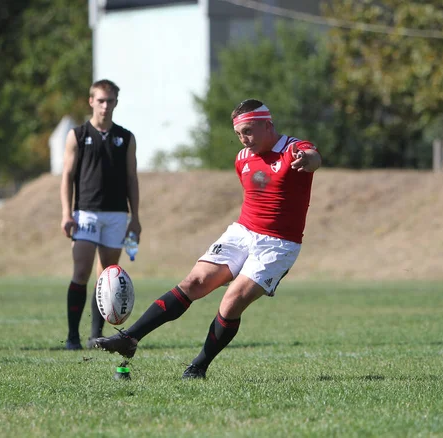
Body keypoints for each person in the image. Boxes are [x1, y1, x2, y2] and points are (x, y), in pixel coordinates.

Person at [95, 99, 321, 378]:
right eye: (238, 134)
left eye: (249, 131)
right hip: (242, 232)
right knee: (194, 282)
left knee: (232, 300)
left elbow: (313, 157)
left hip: (278, 243)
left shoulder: (292, 149)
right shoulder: (242, 159)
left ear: (267, 123)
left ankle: (198, 366)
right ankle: (129, 339)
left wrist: (307, 160)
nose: (243, 139)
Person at [60, 79, 141, 350]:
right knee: (81, 271)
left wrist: (135, 218)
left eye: (111, 101)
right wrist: (66, 212)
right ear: (91, 101)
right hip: (86, 214)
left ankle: (96, 335)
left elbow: (132, 178)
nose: (106, 105)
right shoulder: (78, 135)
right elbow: (67, 177)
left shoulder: (126, 137)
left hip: (117, 215)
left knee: (106, 275)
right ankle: (72, 336)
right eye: (101, 100)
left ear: (116, 102)